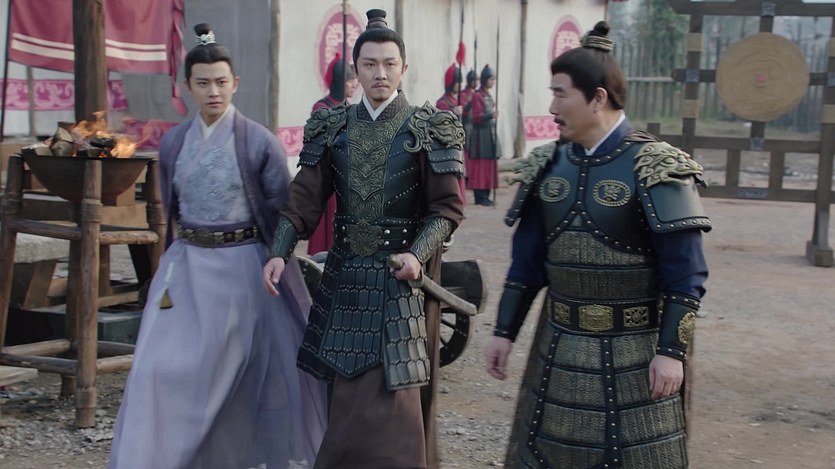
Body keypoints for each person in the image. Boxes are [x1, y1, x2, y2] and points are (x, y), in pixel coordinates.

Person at [484, 21, 711, 468]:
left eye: (561, 94)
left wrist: (670, 352)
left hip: (636, 353)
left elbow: (686, 275)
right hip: (559, 350)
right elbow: (527, 265)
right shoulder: (547, 164)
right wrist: (503, 332)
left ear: (598, 98)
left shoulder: (657, 166)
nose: (552, 107)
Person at [109, 23, 327, 469]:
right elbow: (170, 208)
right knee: (156, 365)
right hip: (186, 265)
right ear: (187, 86)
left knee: (224, 369)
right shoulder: (174, 143)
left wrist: (277, 257)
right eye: (204, 83)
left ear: (235, 83)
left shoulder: (258, 142)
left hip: (241, 265)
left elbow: (282, 211)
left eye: (221, 82)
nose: (213, 92)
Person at [263, 9, 465, 468]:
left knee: (395, 395)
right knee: (345, 390)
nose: (380, 73)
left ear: (404, 68)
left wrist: (418, 254)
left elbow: (447, 209)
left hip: (400, 280)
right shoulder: (333, 126)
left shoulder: (428, 127)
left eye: (389, 64)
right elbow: (303, 199)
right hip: (345, 278)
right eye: (370, 64)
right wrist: (279, 251)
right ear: (355, 69)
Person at [307, 54, 358, 255]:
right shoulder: (321, 108)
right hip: (328, 178)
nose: (354, 84)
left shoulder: (351, 108)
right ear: (339, 81)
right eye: (349, 80)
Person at [466, 64, 500, 206]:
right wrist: (490, 115)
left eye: (494, 79)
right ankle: (480, 196)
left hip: (489, 133)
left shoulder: (488, 95)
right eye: (491, 79)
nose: (493, 82)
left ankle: (486, 195)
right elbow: (476, 117)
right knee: (481, 166)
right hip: (480, 135)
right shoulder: (477, 95)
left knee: (489, 165)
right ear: (485, 79)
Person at [436, 63, 467, 209]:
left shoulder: (455, 100)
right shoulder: (443, 102)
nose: (460, 85)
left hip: (457, 144)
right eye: (457, 82)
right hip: (446, 147)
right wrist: (453, 112)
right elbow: (440, 122)